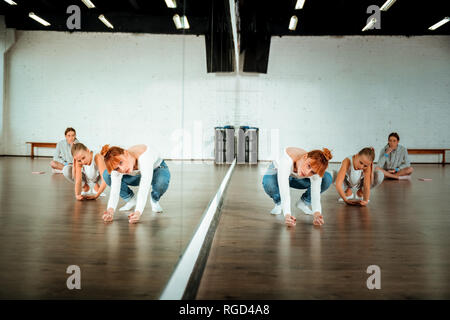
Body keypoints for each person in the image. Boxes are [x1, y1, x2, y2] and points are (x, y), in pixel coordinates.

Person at [262, 147, 333, 227]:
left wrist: (317, 214)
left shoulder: (316, 169)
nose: (307, 172)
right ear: (305, 157)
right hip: (277, 173)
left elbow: (316, 193)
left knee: (327, 178)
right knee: (268, 182)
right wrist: (287, 215)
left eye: (312, 172)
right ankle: (279, 202)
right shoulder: (286, 160)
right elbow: (284, 189)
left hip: (297, 179)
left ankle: (304, 202)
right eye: (308, 166)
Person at [101, 143, 170, 224]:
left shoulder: (145, 157)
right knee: (107, 174)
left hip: (157, 170)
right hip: (137, 175)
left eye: (121, 163)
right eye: (117, 168)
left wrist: (138, 212)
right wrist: (110, 210)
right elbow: (114, 190)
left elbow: (144, 187)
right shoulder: (119, 167)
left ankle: (154, 199)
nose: (122, 169)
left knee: (161, 182)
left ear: (126, 153)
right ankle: (131, 199)